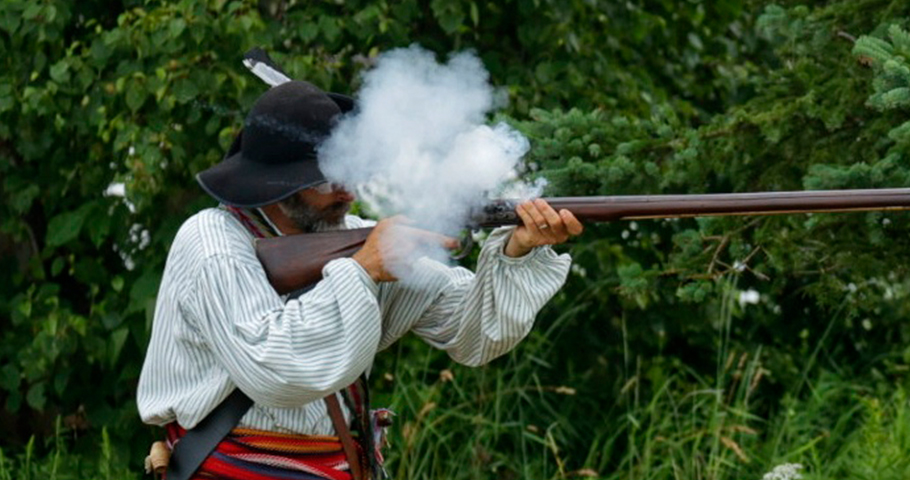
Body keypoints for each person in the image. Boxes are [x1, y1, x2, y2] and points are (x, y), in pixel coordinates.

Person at [136, 80, 585, 480]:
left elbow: (473, 333)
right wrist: (363, 270)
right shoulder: (211, 240)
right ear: (277, 182)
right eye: (328, 179)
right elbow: (275, 369)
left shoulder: (351, 236)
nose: (347, 190)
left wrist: (516, 250)